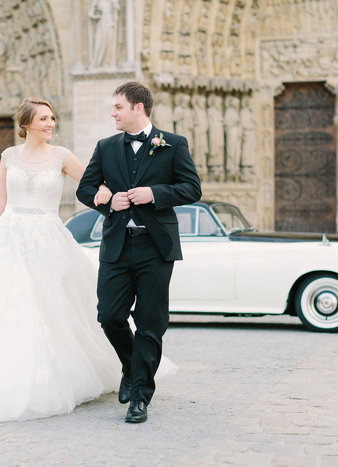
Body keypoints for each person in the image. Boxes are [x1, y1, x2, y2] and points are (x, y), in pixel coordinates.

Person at [0, 97, 118, 422]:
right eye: (44, 119)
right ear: (27, 124)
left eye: (52, 118)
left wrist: (106, 193)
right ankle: (11, 383)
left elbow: (91, 184)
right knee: (12, 308)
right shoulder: (8, 156)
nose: (50, 123)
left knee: (52, 308)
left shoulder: (62, 156)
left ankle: (61, 376)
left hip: (48, 238)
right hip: (11, 238)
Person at [76, 82, 202, 423]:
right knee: (110, 316)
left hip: (155, 246)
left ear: (138, 109)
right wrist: (108, 203)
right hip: (117, 245)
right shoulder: (105, 147)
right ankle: (131, 366)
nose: (112, 113)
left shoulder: (173, 144)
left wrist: (154, 193)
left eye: (118, 107)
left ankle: (140, 397)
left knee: (150, 322)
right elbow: (85, 189)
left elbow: (192, 187)